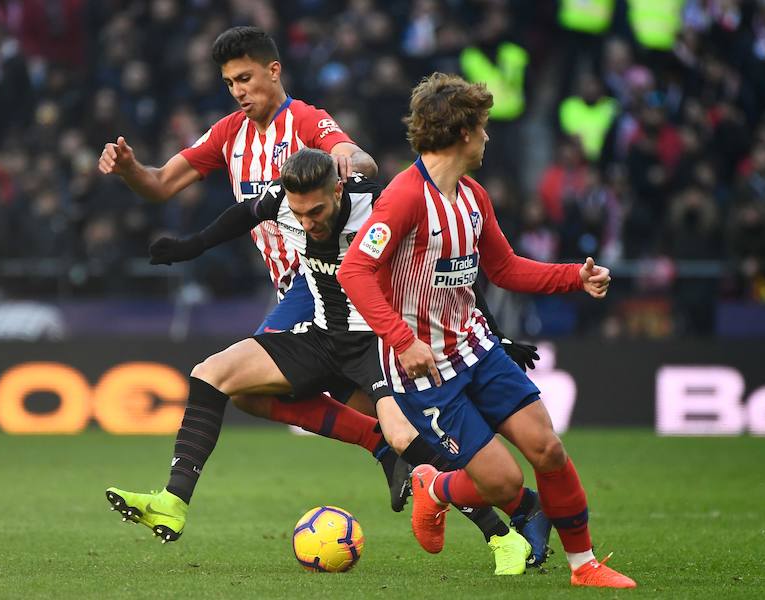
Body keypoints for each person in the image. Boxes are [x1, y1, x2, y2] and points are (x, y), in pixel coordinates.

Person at [106, 149, 551, 575]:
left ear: (339, 191)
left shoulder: (379, 204)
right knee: (213, 374)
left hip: (378, 344)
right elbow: (243, 215)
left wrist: (492, 334)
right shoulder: (284, 201)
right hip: (322, 336)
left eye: (315, 212)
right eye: (298, 215)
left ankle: (499, 534)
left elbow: (448, 267)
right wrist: (191, 247)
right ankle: (174, 501)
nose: (306, 223)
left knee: (402, 436)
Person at [338, 73, 637, 588]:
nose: (487, 138)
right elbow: (354, 272)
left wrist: (574, 277)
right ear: (462, 133)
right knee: (505, 481)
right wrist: (403, 341)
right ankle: (438, 490)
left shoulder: (472, 196)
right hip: (425, 368)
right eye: (483, 128)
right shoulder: (405, 198)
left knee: (548, 448)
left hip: (476, 348)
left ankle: (584, 566)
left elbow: (504, 268)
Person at [96, 27, 406, 509]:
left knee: (226, 377)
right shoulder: (228, 134)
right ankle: (395, 450)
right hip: (289, 289)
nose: (238, 90)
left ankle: (174, 500)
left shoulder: (304, 120)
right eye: (229, 83)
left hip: (324, 280)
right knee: (252, 395)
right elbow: (159, 183)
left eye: (245, 78)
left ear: (273, 71)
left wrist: (353, 162)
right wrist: (129, 169)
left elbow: (349, 150)